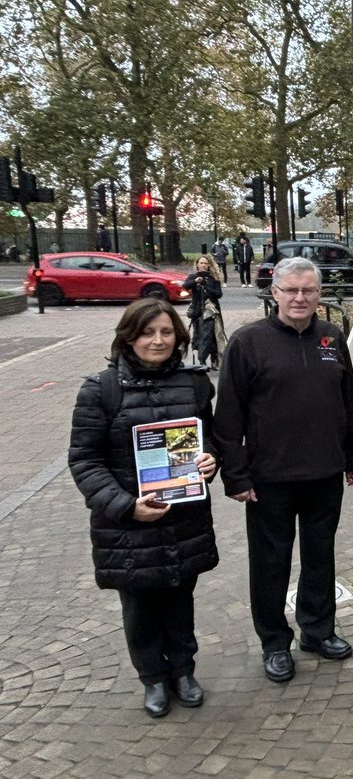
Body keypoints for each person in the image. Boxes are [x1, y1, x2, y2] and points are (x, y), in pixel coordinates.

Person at [213, 257, 353, 683]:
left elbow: (347, 402)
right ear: (275, 293)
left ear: (319, 294)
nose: (300, 298)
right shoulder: (248, 343)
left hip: (324, 473)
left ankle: (317, 631)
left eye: (309, 290)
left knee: (320, 557)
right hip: (268, 479)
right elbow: (228, 419)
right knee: (270, 563)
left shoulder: (332, 337)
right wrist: (236, 476)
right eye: (291, 290)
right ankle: (275, 642)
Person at [68, 298, 219, 717]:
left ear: (178, 337)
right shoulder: (100, 389)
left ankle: (184, 671)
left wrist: (210, 458)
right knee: (139, 608)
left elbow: (209, 437)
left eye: (166, 332)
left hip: (182, 517)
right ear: (128, 336)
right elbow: (84, 460)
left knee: (179, 597)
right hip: (129, 524)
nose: (157, 340)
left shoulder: (194, 385)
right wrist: (124, 506)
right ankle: (152, 678)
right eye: (148, 332)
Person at [183, 256, 226, 371]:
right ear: (197, 264)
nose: (203, 265)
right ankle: (202, 361)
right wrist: (195, 282)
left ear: (209, 265)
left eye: (205, 263)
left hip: (211, 313)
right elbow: (185, 286)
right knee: (200, 336)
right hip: (198, 313)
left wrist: (207, 287)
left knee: (211, 336)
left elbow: (218, 294)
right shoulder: (193, 277)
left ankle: (212, 360)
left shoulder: (213, 278)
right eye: (201, 263)